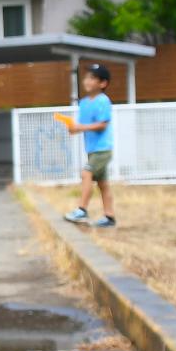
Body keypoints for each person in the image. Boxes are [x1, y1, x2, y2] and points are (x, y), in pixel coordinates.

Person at [61, 63, 117, 229]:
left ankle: (82, 209)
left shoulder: (103, 101)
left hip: (103, 150)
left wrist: (80, 128)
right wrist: (74, 128)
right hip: (92, 150)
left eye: (92, 78)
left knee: (86, 173)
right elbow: (83, 126)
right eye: (86, 77)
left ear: (103, 83)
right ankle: (109, 217)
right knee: (103, 184)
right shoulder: (84, 103)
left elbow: (102, 124)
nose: (87, 81)